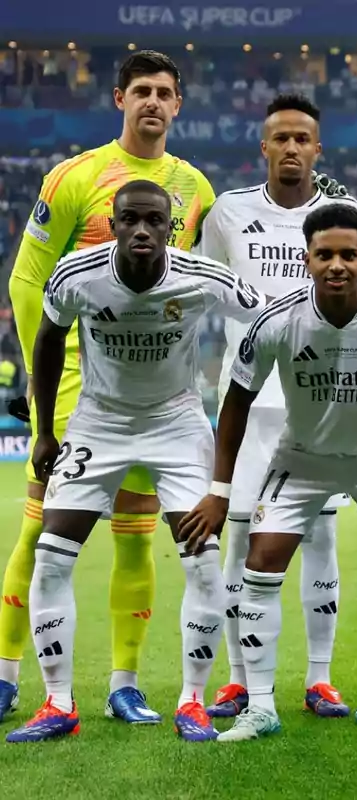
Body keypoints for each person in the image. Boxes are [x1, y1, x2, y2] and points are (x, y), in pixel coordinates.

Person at [182, 203, 357, 743]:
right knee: (261, 560)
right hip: (301, 458)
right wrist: (219, 491)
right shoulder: (276, 321)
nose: (336, 265)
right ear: (306, 259)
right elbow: (235, 404)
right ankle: (260, 707)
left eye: (348, 254)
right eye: (324, 254)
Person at [5, 181, 266, 744]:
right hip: (99, 421)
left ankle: (192, 702)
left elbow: (267, 318)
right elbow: (47, 342)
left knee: (201, 562)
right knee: (51, 557)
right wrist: (45, 429)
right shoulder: (78, 273)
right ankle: (57, 702)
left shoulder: (201, 276)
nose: (142, 230)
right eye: (131, 220)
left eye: (154, 220)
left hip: (176, 423)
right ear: (114, 223)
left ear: (170, 227)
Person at [0, 49, 217, 726]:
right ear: (118, 98)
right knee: (43, 532)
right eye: (140, 91)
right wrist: (50, 384)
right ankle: (7, 676)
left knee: (133, 535)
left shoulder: (196, 190)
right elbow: (27, 279)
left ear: (178, 104)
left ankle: (125, 684)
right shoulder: (76, 177)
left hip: (153, 389)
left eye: (164, 92)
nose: (152, 101)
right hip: (75, 388)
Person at [197, 93, 357, 720]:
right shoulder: (229, 214)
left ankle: (319, 679)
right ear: (263, 147)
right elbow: (205, 288)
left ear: (318, 149)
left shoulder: (341, 215)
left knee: (318, 537)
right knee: (239, 539)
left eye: (303, 139)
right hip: (246, 399)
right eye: (281, 138)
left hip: (319, 403)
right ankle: (239, 678)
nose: (292, 148)